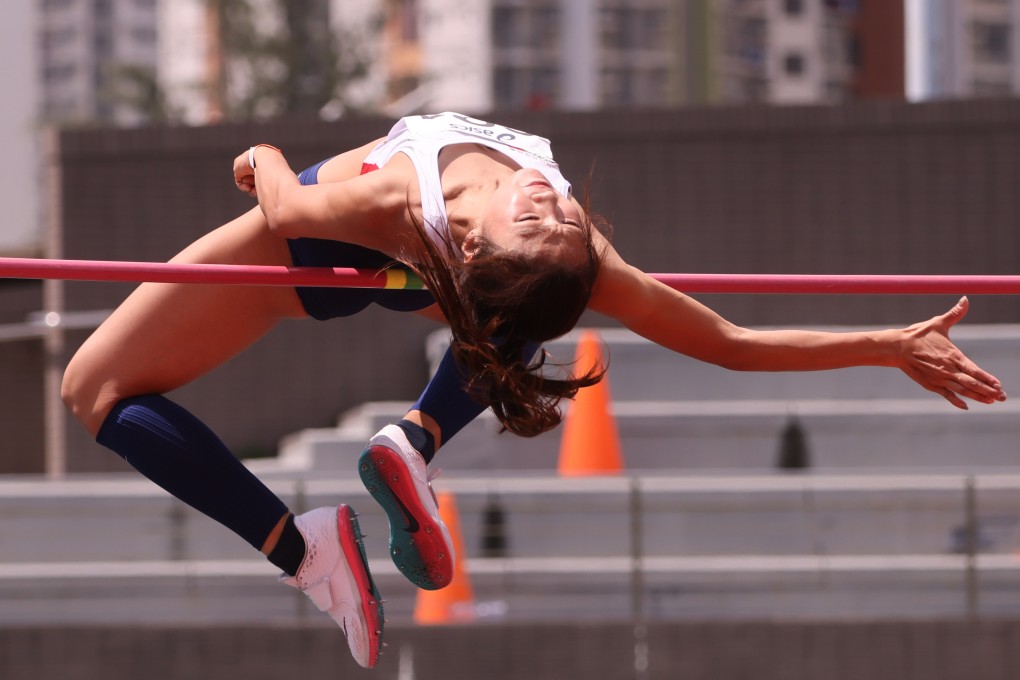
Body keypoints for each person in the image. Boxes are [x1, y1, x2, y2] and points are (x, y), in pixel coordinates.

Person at [60, 112, 1006, 663]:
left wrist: (259, 156)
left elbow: (287, 205)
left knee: (90, 387)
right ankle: (389, 466)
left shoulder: (403, 197)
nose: (555, 207)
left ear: (473, 245)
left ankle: (326, 532)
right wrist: (884, 342)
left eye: (542, 222)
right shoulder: (573, 249)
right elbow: (729, 342)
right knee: (555, 288)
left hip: (311, 244)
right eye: (559, 217)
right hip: (393, 268)